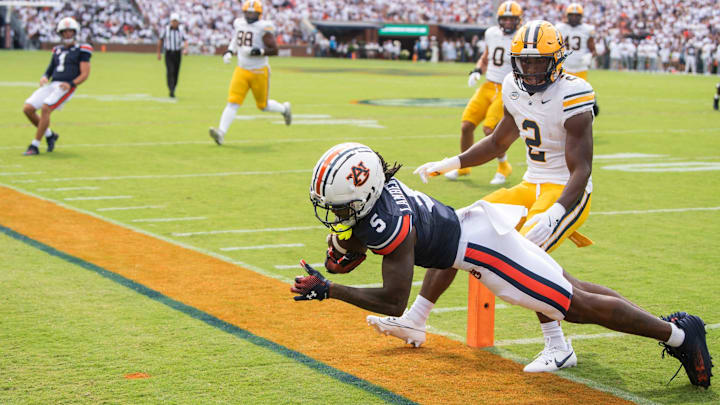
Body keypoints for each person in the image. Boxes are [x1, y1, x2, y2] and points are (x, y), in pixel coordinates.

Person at [293, 141, 713, 389]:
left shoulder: (388, 221)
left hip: (488, 253)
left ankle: (678, 334)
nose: (334, 212)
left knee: (576, 305)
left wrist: (329, 289)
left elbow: (391, 300)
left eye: (339, 206)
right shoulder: (381, 190)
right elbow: (366, 234)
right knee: (571, 286)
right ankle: (673, 327)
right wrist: (347, 245)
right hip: (475, 231)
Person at [368, 20, 597, 373]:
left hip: (565, 191)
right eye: (526, 62)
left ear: (557, 59)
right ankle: (416, 318)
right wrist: (451, 162)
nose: (532, 70)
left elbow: (581, 169)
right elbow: (498, 142)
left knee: (525, 255)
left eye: (540, 62)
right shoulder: (512, 86)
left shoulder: (575, 92)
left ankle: (558, 345)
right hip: (530, 183)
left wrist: (554, 212)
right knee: (457, 228)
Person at [444, 1, 521, 184]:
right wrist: (477, 70)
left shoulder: (522, 37)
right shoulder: (491, 33)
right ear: (499, 19)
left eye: (512, 19)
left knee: (490, 129)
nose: (508, 23)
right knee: (466, 125)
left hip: (507, 88)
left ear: (518, 20)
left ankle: (504, 166)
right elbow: (486, 57)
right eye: (505, 19)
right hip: (488, 85)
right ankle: (463, 167)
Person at [208, 0, 291, 145]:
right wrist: (229, 51)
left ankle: (284, 109)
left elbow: (275, 50)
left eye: (253, 12)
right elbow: (236, 39)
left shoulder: (263, 27)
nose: (250, 15)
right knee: (233, 102)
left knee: (263, 106)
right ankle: (221, 132)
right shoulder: (239, 23)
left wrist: (258, 51)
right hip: (241, 69)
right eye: (248, 12)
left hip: (259, 71)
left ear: (259, 14)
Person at [22, 17, 91, 156]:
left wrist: (71, 84)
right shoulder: (57, 50)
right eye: (65, 32)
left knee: (46, 108)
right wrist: (44, 77)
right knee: (28, 108)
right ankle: (50, 135)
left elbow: (85, 74)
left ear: (75, 32)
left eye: (70, 32)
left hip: (66, 86)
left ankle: (34, 145)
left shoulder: (82, 49)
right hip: (53, 84)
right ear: (60, 33)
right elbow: (50, 68)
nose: (67, 34)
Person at [556, 3, 599, 115]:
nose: (574, 18)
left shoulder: (587, 29)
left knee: (581, 94)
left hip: (581, 68)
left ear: (581, 16)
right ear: (567, 15)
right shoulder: (559, 28)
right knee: (561, 95)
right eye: (572, 15)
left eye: (577, 15)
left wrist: (589, 56)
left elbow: (593, 50)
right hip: (564, 67)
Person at [157, 13, 187, 98]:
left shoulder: (181, 30)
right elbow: (160, 40)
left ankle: (173, 87)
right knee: (170, 71)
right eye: (173, 21)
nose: (174, 23)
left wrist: (185, 49)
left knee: (176, 72)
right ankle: (171, 89)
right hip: (169, 53)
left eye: (176, 21)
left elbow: (185, 40)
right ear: (171, 21)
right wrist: (159, 53)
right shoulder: (166, 29)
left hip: (177, 53)